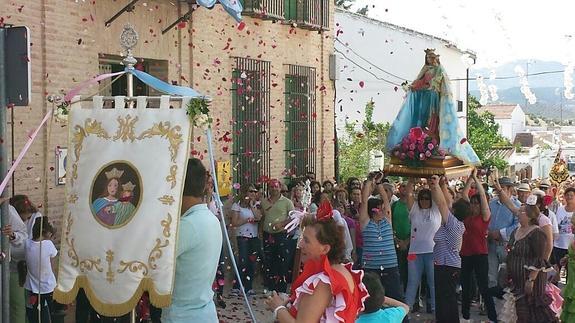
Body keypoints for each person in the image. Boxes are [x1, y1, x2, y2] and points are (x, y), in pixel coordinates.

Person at [264, 201, 368, 322]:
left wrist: (278, 308)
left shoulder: (325, 281)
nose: (300, 244)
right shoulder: (341, 271)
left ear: (325, 248)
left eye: (307, 241)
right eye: (302, 238)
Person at [385, 48, 480, 165]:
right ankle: (424, 140)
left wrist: (428, 85)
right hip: (424, 98)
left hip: (433, 97)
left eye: (431, 58)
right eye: (428, 58)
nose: (430, 60)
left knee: (433, 119)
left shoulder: (439, 70)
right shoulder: (425, 69)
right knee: (424, 119)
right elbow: (419, 82)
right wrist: (412, 87)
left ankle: (433, 140)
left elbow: (438, 83)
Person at [162, 158, 223, 323]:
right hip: (204, 312)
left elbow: (156, 263)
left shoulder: (187, 226)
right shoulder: (211, 219)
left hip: (184, 315)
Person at [500, 200, 559, 323]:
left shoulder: (537, 233)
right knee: (520, 311)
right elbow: (510, 251)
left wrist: (531, 279)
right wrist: (506, 269)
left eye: (522, 212)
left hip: (532, 281)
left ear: (529, 215)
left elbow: (540, 257)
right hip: (517, 280)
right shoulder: (516, 231)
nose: (518, 214)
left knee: (533, 312)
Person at [359, 176, 405, 305]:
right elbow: (364, 201)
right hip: (371, 268)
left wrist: (379, 184)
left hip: (390, 266)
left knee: (396, 297)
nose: (381, 210)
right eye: (378, 208)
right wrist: (369, 182)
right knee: (371, 299)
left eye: (381, 208)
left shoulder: (387, 221)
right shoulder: (366, 223)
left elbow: (386, 199)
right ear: (372, 211)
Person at [459, 169, 498, 322]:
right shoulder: (468, 216)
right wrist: (470, 179)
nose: (474, 205)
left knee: (483, 287)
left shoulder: (484, 217)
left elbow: (482, 196)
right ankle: (465, 316)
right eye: (473, 203)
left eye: (477, 203)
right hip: (466, 254)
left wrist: (477, 180)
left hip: (480, 254)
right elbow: (463, 195)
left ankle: (492, 317)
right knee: (466, 286)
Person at [430, 175, 465, 323]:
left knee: (446, 300)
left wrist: (436, 185)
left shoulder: (453, 224)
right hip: (445, 265)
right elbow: (447, 203)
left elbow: (443, 205)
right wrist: (443, 185)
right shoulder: (456, 224)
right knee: (446, 298)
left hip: (446, 266)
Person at [404, 178, 440, 313]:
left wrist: (434, 184)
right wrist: (411, 181)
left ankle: (436, 311)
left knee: (433, 283)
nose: (424, 201)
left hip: (432, 252)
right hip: (414, 253)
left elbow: (439, 196)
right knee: (412, 283)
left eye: (427, 198)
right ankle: (405, 313)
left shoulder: (436, 209)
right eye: (422, 198)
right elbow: (408, 194)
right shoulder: (414, 209)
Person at [261, 179, 295, 293]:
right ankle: (271, 287)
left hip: (281, 235)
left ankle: (282, 289)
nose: (274, 189)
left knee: (282, 261)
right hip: (267, 234)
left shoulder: (287, 202)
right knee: (269, 261)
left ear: (280, 188)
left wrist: (282, 224)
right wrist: (260, 231)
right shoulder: (264, 202)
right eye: (271, 187)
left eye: (276, 187)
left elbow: (293, 217)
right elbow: (262, 218)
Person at [487, 176, 520, 293]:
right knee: (491, 275)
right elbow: (486, 219)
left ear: (510, 189)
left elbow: (517, 225)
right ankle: (489, 304)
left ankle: (505, 304)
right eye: (498, 188)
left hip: (506, 245)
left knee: (506, 274)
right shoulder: (491, 203)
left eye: (503, 188)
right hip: (491, 243)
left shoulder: (517, 205)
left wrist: (500, 233)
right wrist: (488, 232)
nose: (499, 190)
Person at [24, 217, 57, 323]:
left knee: (35, 314)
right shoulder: (48, 245)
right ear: (44, 232)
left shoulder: (27, 244)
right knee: (51, 313)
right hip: (47, 287)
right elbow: (53, 264)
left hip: (32, 287)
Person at [231, 184, 262, 296]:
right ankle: (237, 286)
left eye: (254, 191)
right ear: (245, 193)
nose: (253, 193)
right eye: (250, 191)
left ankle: (248, 286)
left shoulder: (256, 205)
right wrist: (247, 220)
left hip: (253, 237)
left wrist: (252, 206)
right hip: (242, 236)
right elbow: (234, 222)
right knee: (243, 261)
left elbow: (258, 217)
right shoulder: (237, 205)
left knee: (252, 262)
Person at [1, 197, 28, 323]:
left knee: (16, 306)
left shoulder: (7, 210)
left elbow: (23, 236)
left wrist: (12, 235)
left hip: (6, 267)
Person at [392, 182, 411, 293]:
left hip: (411, 243)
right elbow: (391, 224)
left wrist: (407, 241)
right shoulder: (394, 205)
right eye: (402, 186)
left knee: (411, 272)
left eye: (406, 186)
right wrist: (397, 240)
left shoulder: (414, 205)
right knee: (399, 270)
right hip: (397, 243)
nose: (404, 188)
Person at [552, 186, 575, 281]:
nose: (569, 197)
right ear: (564, 196)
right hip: (559, 244)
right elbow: (556, 225)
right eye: (567, 195)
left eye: (572, 195)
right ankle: (554, 294)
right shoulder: (560, 209)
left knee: (570, 273)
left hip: (572, 246)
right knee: (556, 271)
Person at [560, 215, 575, 322]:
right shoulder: (573, 238)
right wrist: (567, 257)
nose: (572, 226)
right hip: (571, 281)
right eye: (572, 223)